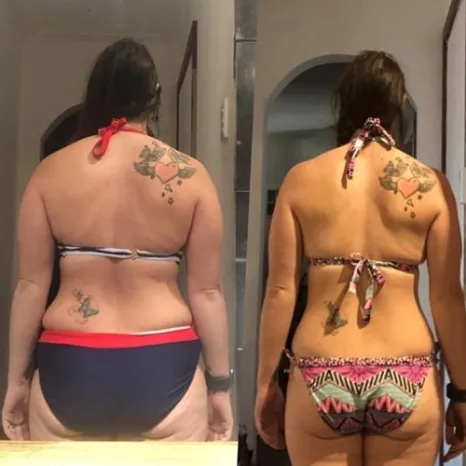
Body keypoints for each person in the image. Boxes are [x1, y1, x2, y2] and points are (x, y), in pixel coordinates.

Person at [2, 38, 234, 442]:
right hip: (164, 363)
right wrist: (220, 388)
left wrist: (16, 383)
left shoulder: (51, 172)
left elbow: (31, 286)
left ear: (96, 93)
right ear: (155, 95)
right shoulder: (192, 176)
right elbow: (208, 293)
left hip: (70, 364)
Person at [254, 50, 466, 465]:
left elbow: (280, 291)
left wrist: (265, 384)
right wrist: (462, 392)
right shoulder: (431, 185)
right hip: (405, 372)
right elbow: (447, 299)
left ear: (343, 103)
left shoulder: (301, 179)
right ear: (398, 105)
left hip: (322, 372)